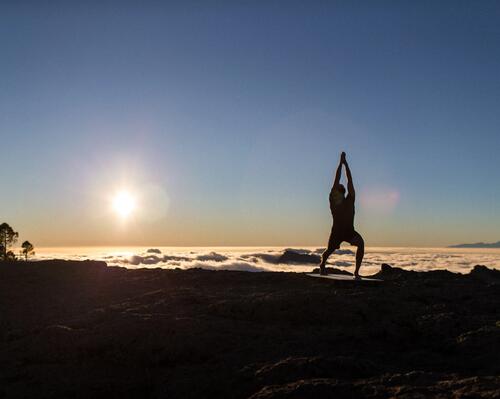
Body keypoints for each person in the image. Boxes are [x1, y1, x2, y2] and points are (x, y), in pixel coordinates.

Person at [319, 152, 364, 278]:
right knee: (328, 252)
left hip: (349, 231)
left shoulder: (350, 199)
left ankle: (356, 272)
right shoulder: (333, 202)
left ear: (342, 193)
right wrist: (341, 164)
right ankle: (322, 264)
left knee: (361, 243)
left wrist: (346, 164)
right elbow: (336, 179)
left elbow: (350, 180)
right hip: (337, 232)